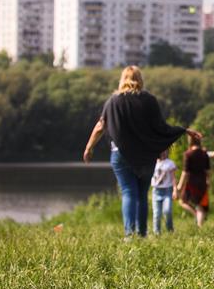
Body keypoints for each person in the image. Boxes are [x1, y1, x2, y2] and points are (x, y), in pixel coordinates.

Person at [82, 66, 199, 238]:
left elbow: (101, 126)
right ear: (140, 79)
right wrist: (184, 130)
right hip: (146, 155)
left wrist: (89, 148)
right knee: (142, 194)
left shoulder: (113, 102)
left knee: (128, 192)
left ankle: (129, 235)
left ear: (122, 79)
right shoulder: (149, 100)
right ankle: (142, 233)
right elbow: (161, 127)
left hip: (121, 155)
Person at [176, 134, 211, 228]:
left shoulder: (188, 154)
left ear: (190, 141)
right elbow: (208, 171)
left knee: (182, 201)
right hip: (202, 182)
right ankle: (199, 224)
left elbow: (185, 172)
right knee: (200, 206)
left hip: (191, 183)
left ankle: (196, 215)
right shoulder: (204, 154)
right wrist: (208, 181)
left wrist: (180, 185)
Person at [151, 149, 177, 235]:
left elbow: (173, 178)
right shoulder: (153, 162)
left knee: (167, 211)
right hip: (156, 191)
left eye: (165, 150)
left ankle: (170, 229)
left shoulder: (170, 163)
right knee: (156, 214)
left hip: (167, 191)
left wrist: (175, 190)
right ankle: (156, 233)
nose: (163, 152)